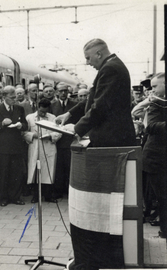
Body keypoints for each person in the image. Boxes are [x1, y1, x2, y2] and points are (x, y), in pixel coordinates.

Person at [61, 39, 136, 270]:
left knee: (103, 203)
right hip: (108, 141)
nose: (87, 62)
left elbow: (101, 105)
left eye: (88, 58)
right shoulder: (110, 66)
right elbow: (93, 97)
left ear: (99, 53)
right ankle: (91, 256)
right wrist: (70, 114)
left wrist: (77, 128)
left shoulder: (111, 69)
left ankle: (95, 258)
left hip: (110, 143)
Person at [0, 85, 28, 207]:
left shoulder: (19, 109)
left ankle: (15, 197)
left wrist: (20, 125)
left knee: (16, 173)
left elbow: (26, 125)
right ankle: (4, 198)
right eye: (11, 97)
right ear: (4, 97)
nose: (14, 99)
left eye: (15, 97)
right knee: (4, 173)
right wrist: (2, 123)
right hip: (3, 147)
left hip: (17, 146)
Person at [142, 73, 166, 239]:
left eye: (156, 86)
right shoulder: (156, 104)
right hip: (156, 159)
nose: (152, 90)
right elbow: (150, 126)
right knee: (163, 197)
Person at [23, 98, 61, 203]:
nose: (43, 113)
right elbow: (24, 133)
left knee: (48, 170)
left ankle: (48, 196)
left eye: (45, 111)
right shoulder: (29, 118)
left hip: (49, 146)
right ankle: (36, 196)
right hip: (35, 146)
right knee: (36, 170)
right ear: (37, 107)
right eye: (41, 111)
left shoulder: (53, 118)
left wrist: (50, 136)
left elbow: (59, 132)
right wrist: (33, 135)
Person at [50, 82, 78, 200]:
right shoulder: (52, 105)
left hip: (70, 139)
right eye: (60, 91)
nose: (63, 93)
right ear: (56, 92)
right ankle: (58, 190)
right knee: (58, 167)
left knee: (69, 166)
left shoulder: (74, 105)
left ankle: (69, 190)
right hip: (57, 140)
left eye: (65, 91)